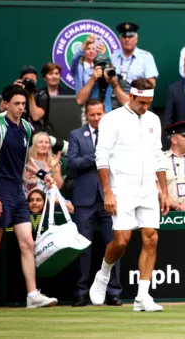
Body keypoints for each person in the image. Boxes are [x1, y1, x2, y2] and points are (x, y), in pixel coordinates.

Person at [89, 79, 170, 312]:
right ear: (131, 97)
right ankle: (103, 273)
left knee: (151, 238)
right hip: (121, 188)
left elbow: (158, 156)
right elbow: (101, 156)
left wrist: (164, 191)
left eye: (149, 103)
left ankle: (142, 298)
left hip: (147, 189)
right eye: (142, 102)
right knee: (122, 241)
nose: (145, 107)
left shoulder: (153, 120)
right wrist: (108, 192)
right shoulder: (111, 119)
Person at [0, 85, 58, 310]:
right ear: (5, 104)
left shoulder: (26, 128)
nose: (20, 108)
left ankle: (32, 295)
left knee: (28, 242)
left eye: (23, 104)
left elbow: (26, 162)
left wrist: (43, 174)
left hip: (18, 192)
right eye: (16, 104)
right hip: (0, 190)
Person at [68, 99, 122, 307]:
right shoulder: (75, 135)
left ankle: (113, 292)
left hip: (111, 198)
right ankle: (81, 292)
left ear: (105, 113)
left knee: (115, 245)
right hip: (85, 200)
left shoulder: (115, 134)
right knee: (83, 247)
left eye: (100, 114)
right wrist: (98, 157)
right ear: (86, 115)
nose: (97, 118)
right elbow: (72, 162)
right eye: (93, 115)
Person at [109, 22, 159, 90]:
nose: (127, 39)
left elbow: (152, 84)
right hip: (114, 97)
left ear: (136, 39)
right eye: (124, 37)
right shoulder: (113, 57)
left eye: (130, 37)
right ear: (120, 39)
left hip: (136, 97)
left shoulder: (146, 57)